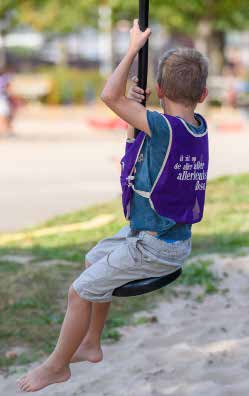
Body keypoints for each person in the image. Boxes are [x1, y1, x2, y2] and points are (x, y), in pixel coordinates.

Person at [17, 19, 209, 392]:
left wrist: (133, 48)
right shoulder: (196, 127)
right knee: (93, 260)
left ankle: (56, 366)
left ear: (158, 89)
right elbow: (145, 149)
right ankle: (90, 343)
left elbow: (109, 96)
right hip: (160, 237)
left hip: (155, 246)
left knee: (79, 290)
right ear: (202, 94)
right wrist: (134, 117)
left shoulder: (163, 127)